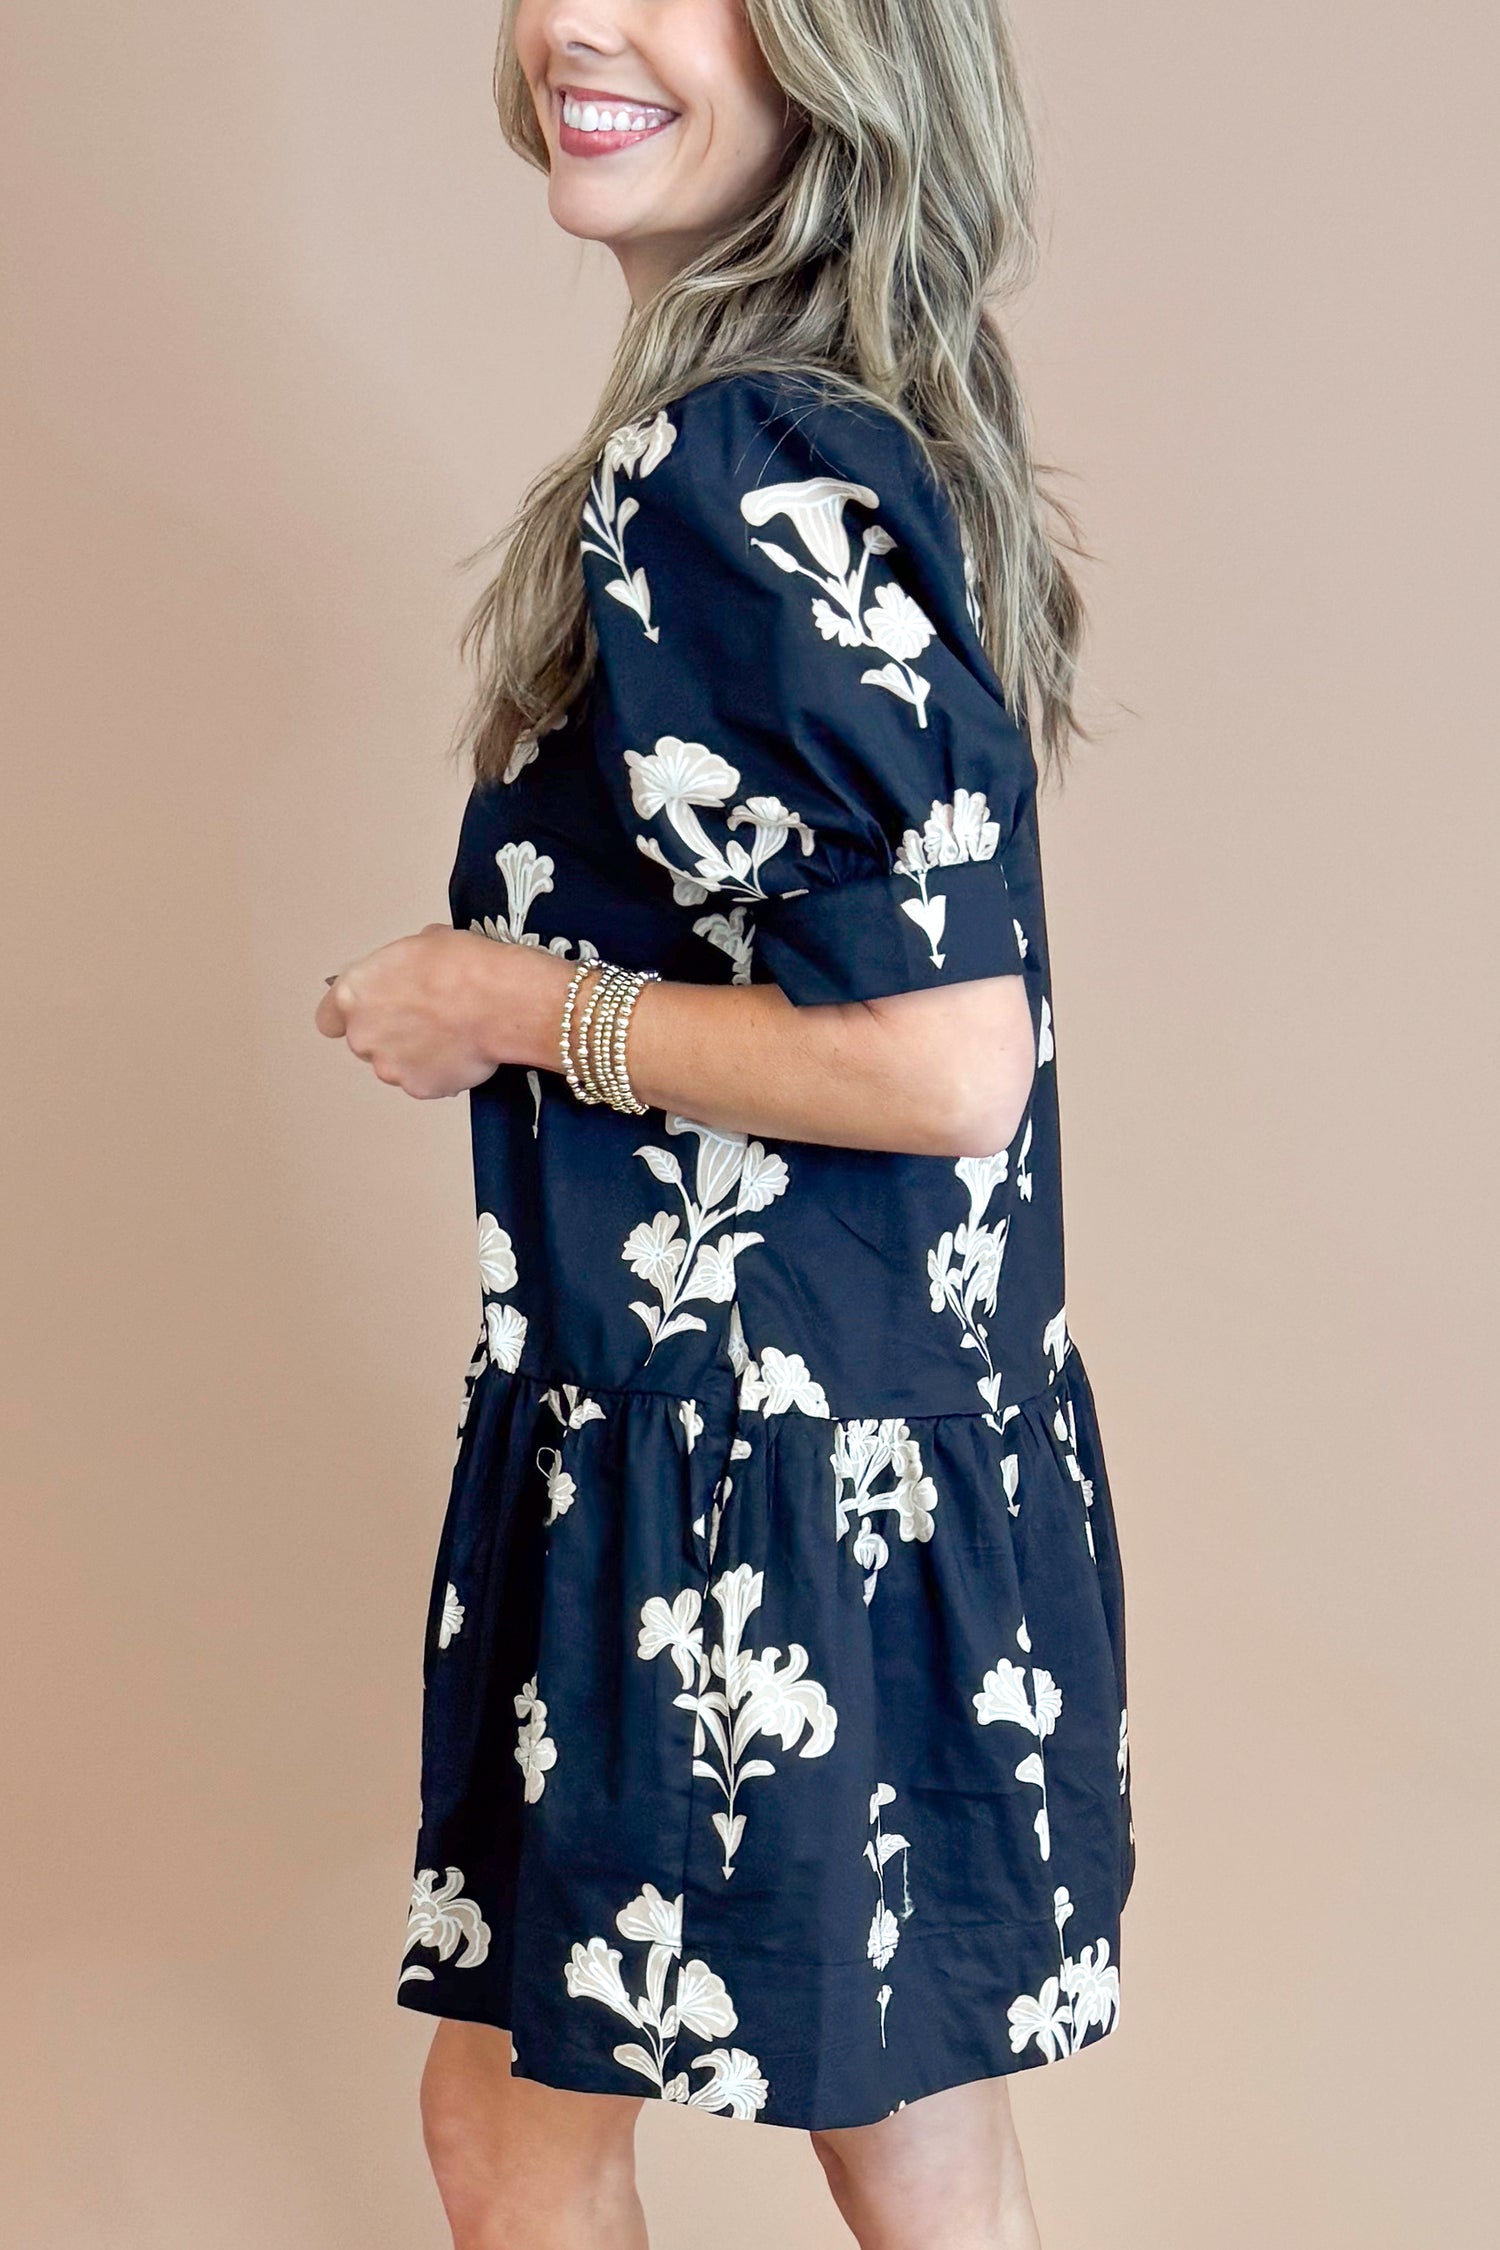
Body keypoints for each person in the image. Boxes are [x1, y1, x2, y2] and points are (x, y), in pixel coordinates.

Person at [315, 1, 1135, 2242]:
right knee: (915, 2140)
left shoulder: (719, 467)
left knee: (520, 2126)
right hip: (880, 1462)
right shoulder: (855, 435)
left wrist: (506, 999)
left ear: (840, 57)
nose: (587, 17)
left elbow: (946, 1056)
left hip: (736, 1494)